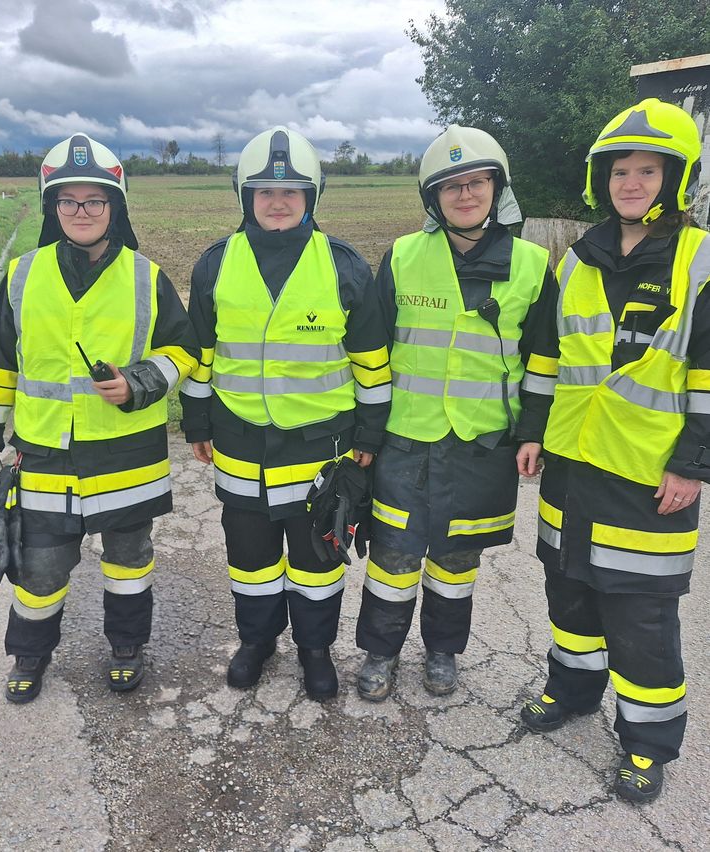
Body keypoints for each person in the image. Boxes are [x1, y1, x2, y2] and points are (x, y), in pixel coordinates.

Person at [0, 132, 199, 703]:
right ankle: (30, 654)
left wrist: (139, 382)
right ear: (52, 207)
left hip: (127, 455)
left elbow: (184, 351)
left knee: (128, 560)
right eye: (69, 201)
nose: (82, 212)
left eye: (95, 201)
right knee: (40, 569)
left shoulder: (146, 276)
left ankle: (126, 646)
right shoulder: (22, 275)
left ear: (115, 207)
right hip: (44, 454)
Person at [520, 98, 709, 804]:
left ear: (675, 177)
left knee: (640, 615)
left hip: (648, 473)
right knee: (569, 591)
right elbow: (546, 356)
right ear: (602, 179)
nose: (632, 182)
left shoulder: (700, 259)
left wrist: (693, 465)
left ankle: (648, 743)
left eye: (648, 170)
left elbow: (707, 377)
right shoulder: (577, 259)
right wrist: (533, 432)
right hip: (571, 463)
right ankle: (571, 691)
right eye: (620, 170)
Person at [179, 126, 391, 701]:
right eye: (265, 192)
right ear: (245, 197)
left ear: (311, 198)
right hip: (239, 442)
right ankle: (257, 641)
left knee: (318, 560)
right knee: (250, 559)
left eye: (291, 192)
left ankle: (315, 650)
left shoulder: (344, 266)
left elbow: (373, 364)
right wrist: (196, 422)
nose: (277, 202)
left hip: (321, 449)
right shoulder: (215, 264)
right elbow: (200, 354)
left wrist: (370, 433)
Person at [354, 125, 559, 700]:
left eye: (477, 183)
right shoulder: (402, 255)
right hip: (405, 438)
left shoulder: (532, 265)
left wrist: (532, 433)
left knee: (455, 556)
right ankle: (380, 652)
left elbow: (544, 357)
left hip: (481, 444)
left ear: (497, 190)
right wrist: (366, 430)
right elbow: (373, 348)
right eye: (451, 187)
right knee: (393, 556)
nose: (465, 195)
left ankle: (443, 650)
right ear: (433, 199)